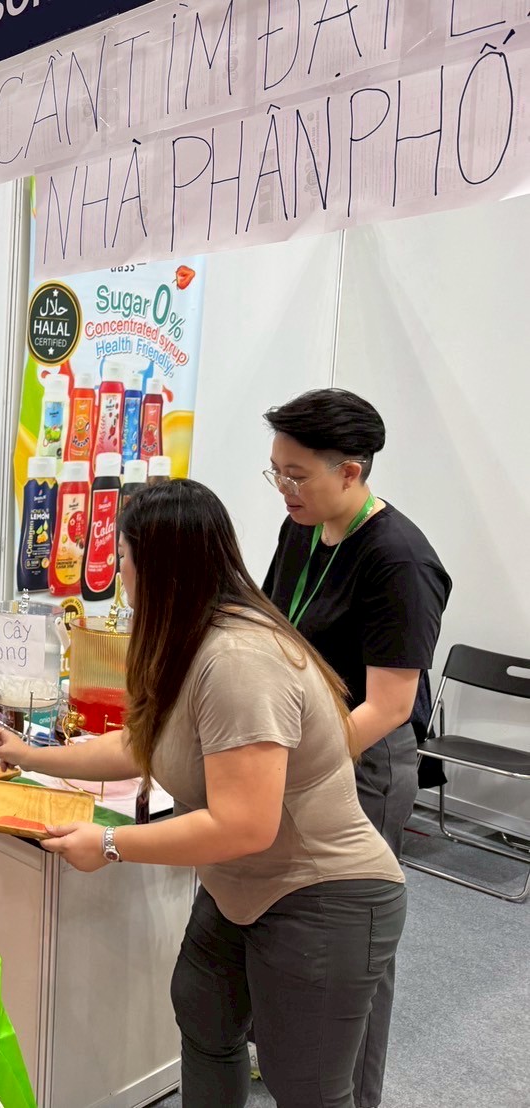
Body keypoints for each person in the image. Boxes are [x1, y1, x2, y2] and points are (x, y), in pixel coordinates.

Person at [0, 479, 406, 1108]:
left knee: (307, 1087)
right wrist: (29, 754)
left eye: (123, 558)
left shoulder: (239, 660)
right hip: (240, 887)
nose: (118, 573)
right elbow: (142, 743)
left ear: (159, 567)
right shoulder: (189, 638)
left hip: (321, 892)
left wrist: (111, 844)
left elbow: (244, 824)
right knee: (205, 1027)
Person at [258, 388, 450, 1108]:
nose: (284, 488)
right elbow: (274, 628)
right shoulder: (301, 529)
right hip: (301, 744)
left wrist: (300, 763)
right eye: (276, 471)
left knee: (354, 939)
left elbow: (389, 704)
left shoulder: (399, 560)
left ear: (351, 471)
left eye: (297, 475)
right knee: (288, 911)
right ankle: (287, 1059)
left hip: (364, 757)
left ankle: (354, 1093)